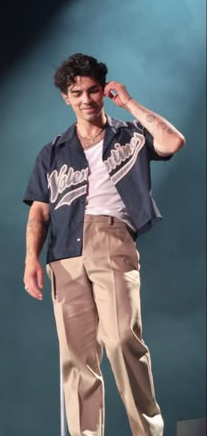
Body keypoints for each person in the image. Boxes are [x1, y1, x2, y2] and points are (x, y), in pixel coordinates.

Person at [23, 53, 185, 436]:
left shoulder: (129, 134)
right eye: (76, 92)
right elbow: (39, 214)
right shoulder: (52, 152)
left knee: (122, 343)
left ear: (103, 90)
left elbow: (173, 141)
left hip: (111, 238)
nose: (86, 99)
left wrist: (128, 103)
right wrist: (31, 259)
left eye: (93, 90)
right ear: (66, 97)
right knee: (77, 360)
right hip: (63, 252)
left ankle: (147, 431)